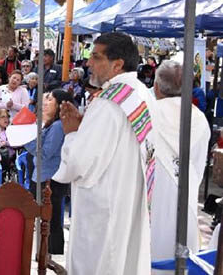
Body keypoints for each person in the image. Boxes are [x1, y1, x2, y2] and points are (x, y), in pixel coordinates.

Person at [53, 32, 157, 274]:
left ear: (117, 64)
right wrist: (85, 127)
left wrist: (71, 133)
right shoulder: (141, 94)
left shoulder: (109, 102)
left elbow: (80, 162)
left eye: (96, 57)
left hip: (104, 208)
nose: (88, 63)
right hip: (129, 199)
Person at [149, 60, 210, 273]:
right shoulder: (200, 119)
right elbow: (199, 164)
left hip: (150, 198)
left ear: (156, 87)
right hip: (186, 197)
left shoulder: (148, 114)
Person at [23, 89, 73, 257]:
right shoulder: (50, 124)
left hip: (50, 178)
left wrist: (26, 140)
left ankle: (50, 254)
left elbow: (45, 153)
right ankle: (43, 251)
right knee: (44, 217)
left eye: (49, 100)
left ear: (59, 104)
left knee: (50, 218)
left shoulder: (58, 126)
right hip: (42, 175)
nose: (45, 104)